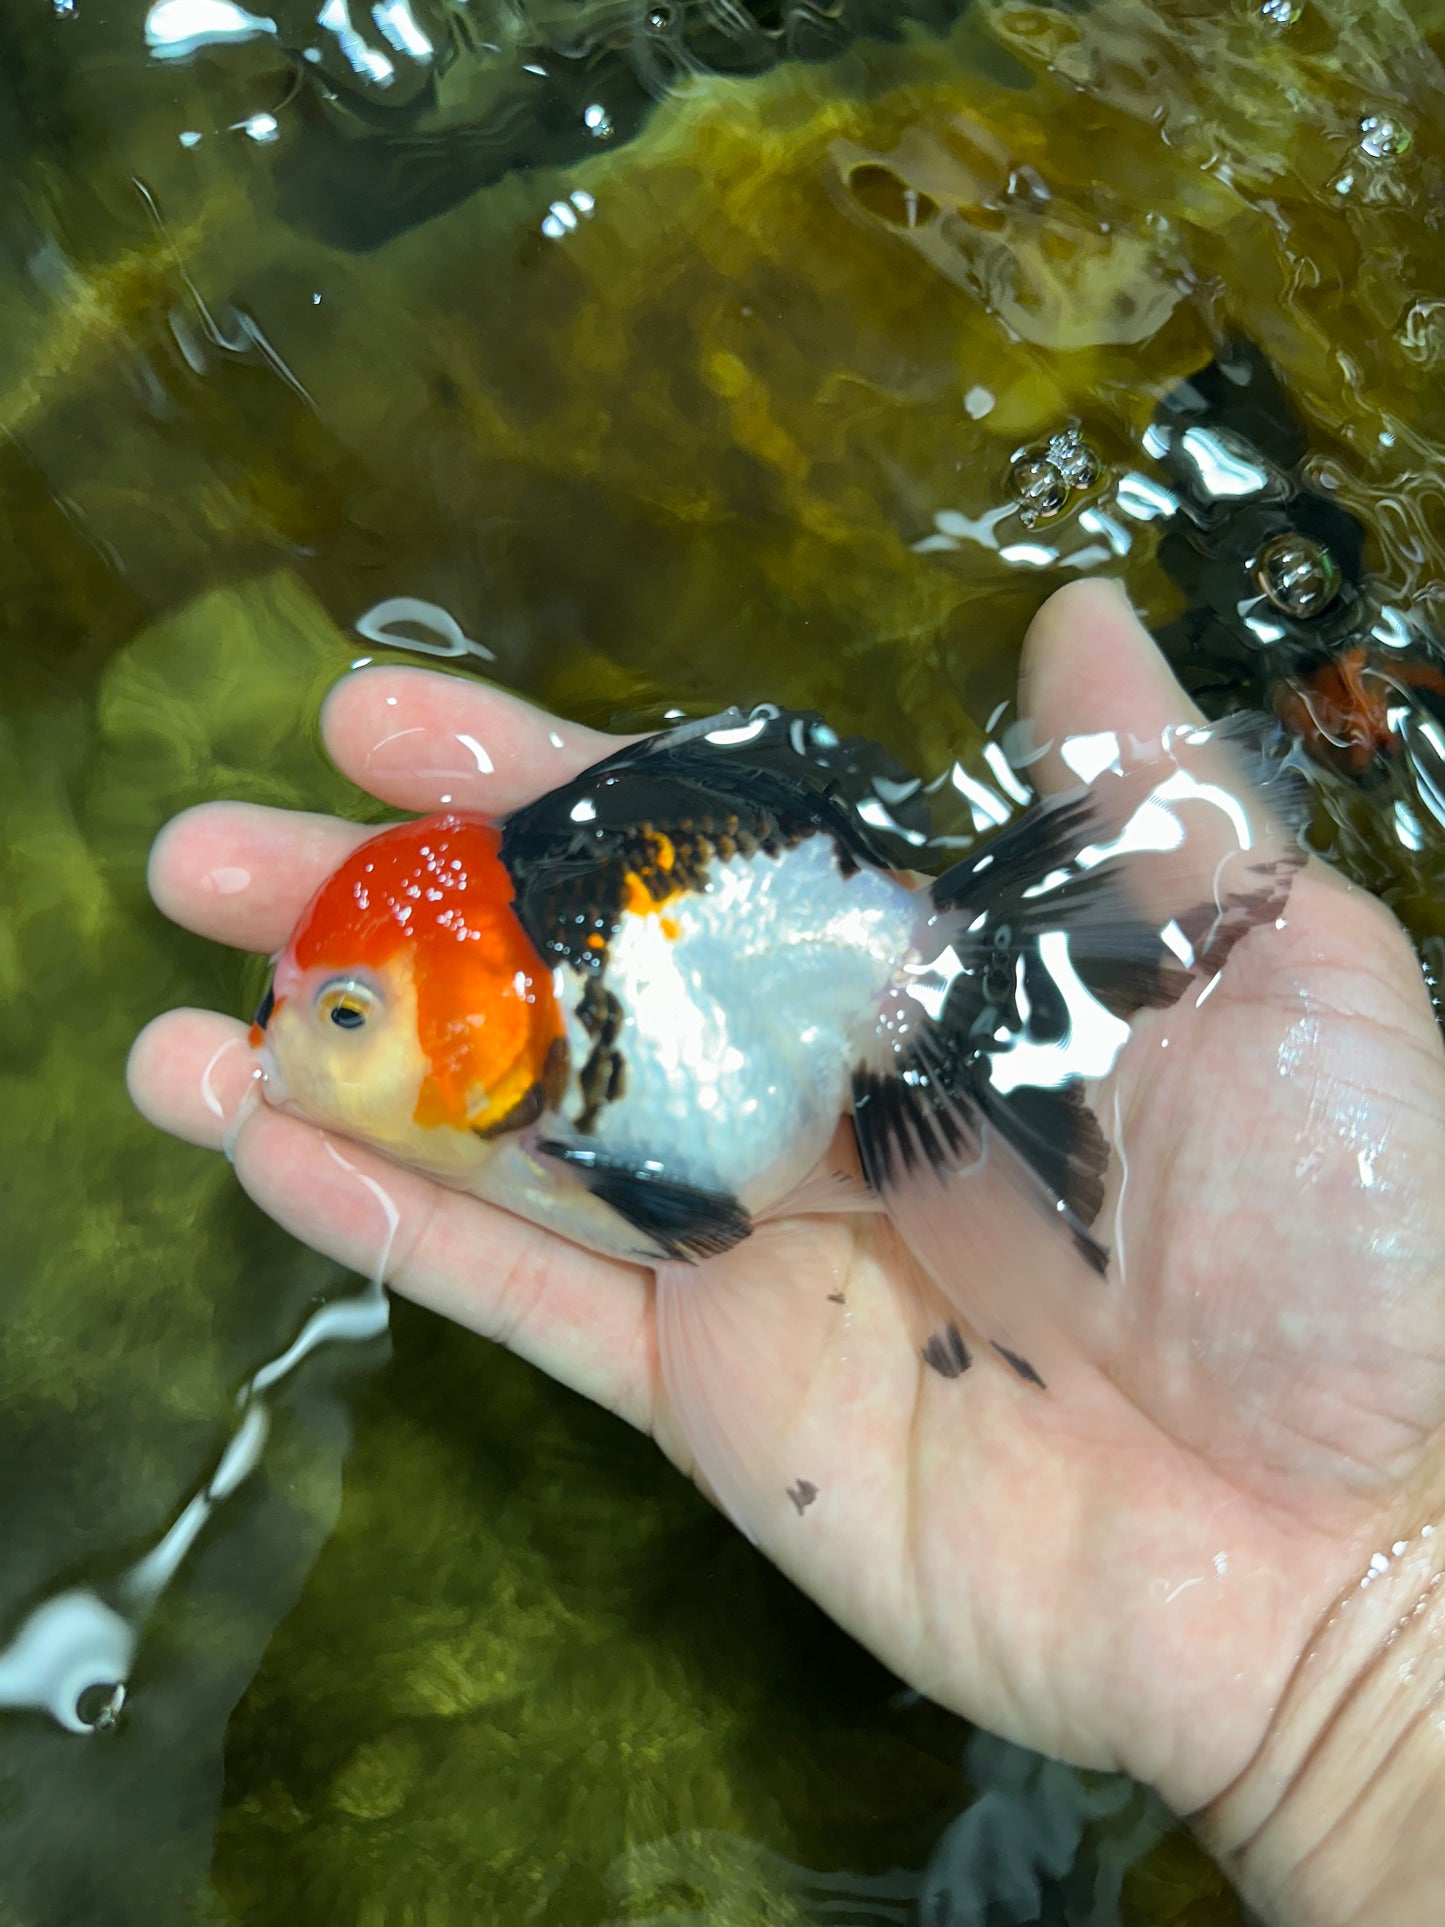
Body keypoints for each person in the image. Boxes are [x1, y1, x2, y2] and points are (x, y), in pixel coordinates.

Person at [128, 579, 1445, 1925]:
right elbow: (698, 1211)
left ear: (477, 1023)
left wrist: (1360, 1669)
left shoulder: (559, 1098)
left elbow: (687, 1213)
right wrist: (1356, 1696)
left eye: (346, 1015)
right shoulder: (529, 1093)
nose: (303, 1040)